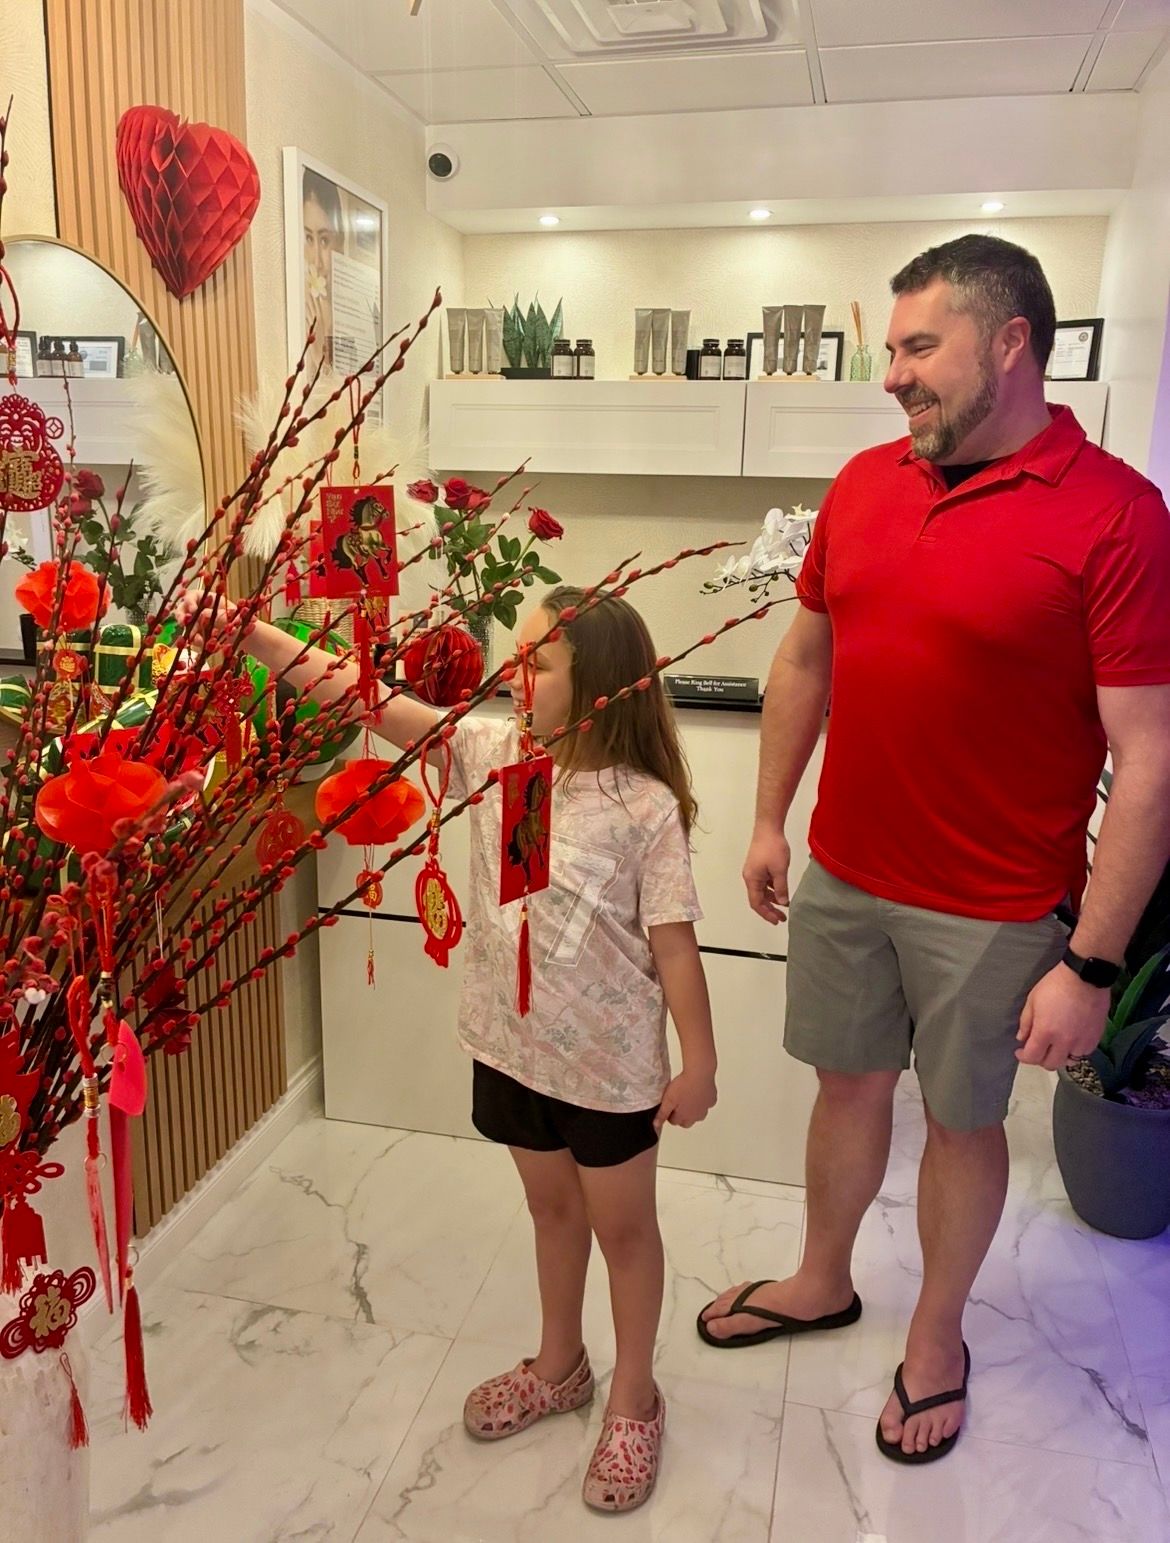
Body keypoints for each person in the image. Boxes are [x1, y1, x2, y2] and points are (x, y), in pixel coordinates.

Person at [698, 234, 1170, 1464]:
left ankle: (937, 1337)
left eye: (919, 346)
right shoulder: (864, 483)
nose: (893, 374)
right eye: (893, 349)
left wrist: (1094, 965)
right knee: (845, 1086)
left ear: (1010, 343)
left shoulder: (1117, 515)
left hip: (997, 908)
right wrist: (770, 816)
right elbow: (808, 655)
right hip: (849, 872)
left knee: (962, 1124)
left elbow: (1151, 758)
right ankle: (821, 1278)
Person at [222, 585, 718, 1512]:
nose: (514, 673)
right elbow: (365, 697)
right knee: (550, 1209)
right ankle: (561, 1364)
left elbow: (674, 945)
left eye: (540, 662)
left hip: (608, 1069)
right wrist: (252, 633)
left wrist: (701, 1060)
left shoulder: (644, 807)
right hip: (513, 1045)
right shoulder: (495, 754)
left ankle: (635, 1395)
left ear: (598, 684)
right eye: (517, 655)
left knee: (624, 1230)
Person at [302, 167, 342, 373]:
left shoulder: (343, 313)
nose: (316, 261)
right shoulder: (303, 310)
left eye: (324, 240)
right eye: (309, 238)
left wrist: (320, 355)